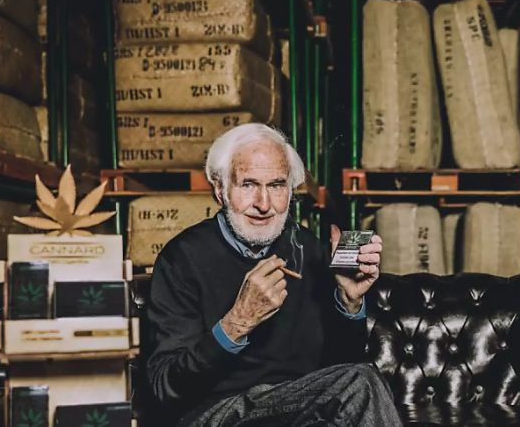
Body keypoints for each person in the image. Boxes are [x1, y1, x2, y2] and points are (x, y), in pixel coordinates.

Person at [144, 123, 401, 426]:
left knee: (359, 382)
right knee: (362, 381)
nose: (263, 204)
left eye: (277, 186)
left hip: (301, 410)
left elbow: (341, 371)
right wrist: (237, 322)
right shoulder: (182, 259)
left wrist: (349, 302)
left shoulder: (311, 250)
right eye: (248, 185)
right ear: (220, 189)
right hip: (217, 414)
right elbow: (166, 387)